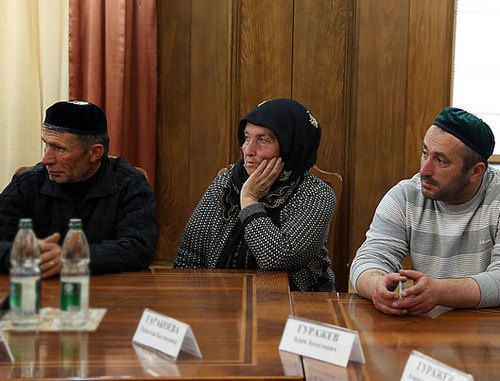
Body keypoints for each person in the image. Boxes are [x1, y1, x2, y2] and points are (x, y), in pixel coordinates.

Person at [174, 99, 336, 291]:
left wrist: (250, 200)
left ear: (290, 146)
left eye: (262, 140)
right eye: (246, 137)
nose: (247, 150)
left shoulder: (317, 194)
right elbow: (188, 258)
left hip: (296, 306)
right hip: (221, 301)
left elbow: (279, 259)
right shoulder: (226, 183)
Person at [350, 107, 500, 315]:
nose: (424, 170)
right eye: (425, 153)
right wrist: (377, 285)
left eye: (440, 160)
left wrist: (441, 292)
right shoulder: (405, 194)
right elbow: (369, 258)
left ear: (476, 171)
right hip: (425, 330)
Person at [0, 100, 158, 278]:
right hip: (38, 291)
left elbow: (139, 248)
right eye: (46, 144)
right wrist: (25, 252)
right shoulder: (28, 182)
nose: (46, 159)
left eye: (59, 148)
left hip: (109, 293)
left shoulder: (130, 183)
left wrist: (74, 258)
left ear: (95, 153)